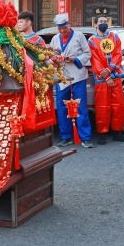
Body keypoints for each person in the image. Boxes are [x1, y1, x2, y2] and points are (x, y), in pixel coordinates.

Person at [49, 13, 92, 147]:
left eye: (64, 28)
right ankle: (66, 136)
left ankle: (85, 137)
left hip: (78, 74)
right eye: (59, 28)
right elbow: (49, 54)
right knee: (62, 107)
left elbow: (87, 53)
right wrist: (54, 58)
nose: (62, 31)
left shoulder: (79, 36)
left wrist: (75, 59)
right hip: (62, 77)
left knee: (80, 106)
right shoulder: (55, 39)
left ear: (69, 25)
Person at [87, 16, 124, 144]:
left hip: (115, 76)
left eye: (105, 22)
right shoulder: (92, 41)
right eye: (101, 22)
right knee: (102, 106)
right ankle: (102, 132)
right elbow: (94, 60)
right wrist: (106, 76)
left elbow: (118, 54)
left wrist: (110, 70)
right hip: (101, 78)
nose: (103, 24)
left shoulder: (115, 37)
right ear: (95, 25)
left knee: (119, 105)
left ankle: (117, 131)